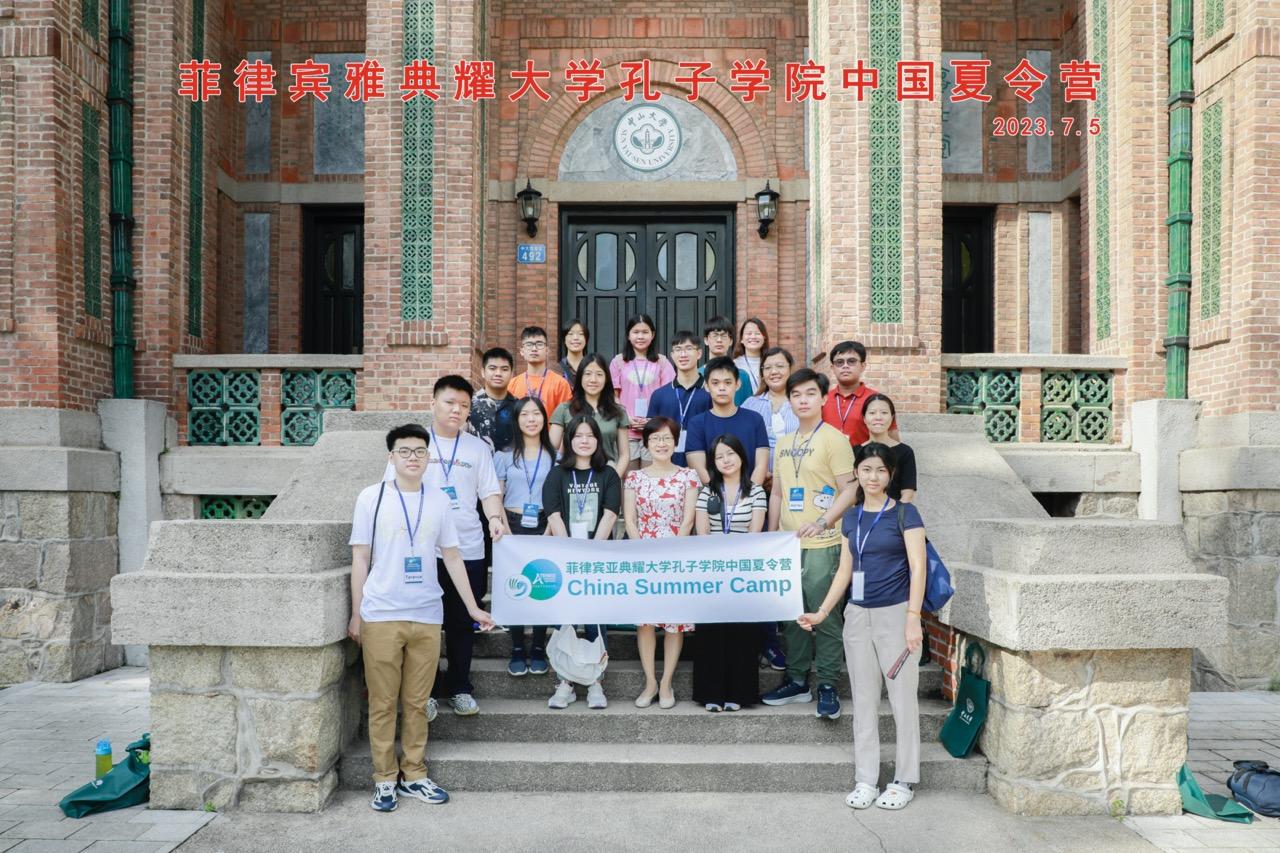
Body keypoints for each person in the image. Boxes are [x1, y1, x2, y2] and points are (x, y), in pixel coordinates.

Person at [349, 424, 495, 813]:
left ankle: (414, 774)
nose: (413, 458)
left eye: (419, 452)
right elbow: (360, 558)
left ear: (429, 458)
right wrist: (355, 614)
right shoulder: (371, 498)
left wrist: (472, 606)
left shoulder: (438, 502)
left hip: (427, 614)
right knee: (383, 703)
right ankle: (384, 779)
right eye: (404, 451)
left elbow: (452, 556)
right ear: (391, 457)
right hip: (381, 613)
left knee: (416, 702)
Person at [797, 442, 927, 812]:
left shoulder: (906, 514)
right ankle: (867, 778)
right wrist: (823, 612)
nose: (873, 477)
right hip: (857, 614)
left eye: (881, 471)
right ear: (856, 472)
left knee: (902, 700)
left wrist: (913, 617)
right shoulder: (851, 516)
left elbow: (918, 568)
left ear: (890, 475)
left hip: (896, 614)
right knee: (865, 700)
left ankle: (904, 779)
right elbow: (844, 570)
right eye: (866, 469)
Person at [762, 368, 857, 720]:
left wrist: (823, 521)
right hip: (788, 545)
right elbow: (777, 492)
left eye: (809, 394)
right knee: (791, 616)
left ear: (822, 398)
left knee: (825, 616)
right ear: (789, 401)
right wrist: (771, 536)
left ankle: (828, 684)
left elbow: (850, 488)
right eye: (796, 395)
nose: (802, 400)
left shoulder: (835, 439)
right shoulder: (785, 443)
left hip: (825, 542)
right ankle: (798, 680)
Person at [425, 375, 507, 717]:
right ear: (433, 404)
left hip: (469, 547)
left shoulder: (477, 448)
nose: (457, 410)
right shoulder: (416, 444)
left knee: (462, 624)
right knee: (427, 626)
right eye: (450, 403)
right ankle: (425, 691)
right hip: (425, 552)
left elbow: (489, 491)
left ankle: (460, 687)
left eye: (464, 405)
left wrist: (494, 519)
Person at [542, 414, 623, 710]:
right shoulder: (557, 474)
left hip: (598, 559)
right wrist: (570, 551)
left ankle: (595, 681)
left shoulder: (608, 474)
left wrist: (592, 553)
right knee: (565, 620)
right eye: (579, 435)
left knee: (595, 621)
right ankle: (565, 681)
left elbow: (611, 514)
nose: (585, 440)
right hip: (565, 558)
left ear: (598, 440)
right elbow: (553, 514)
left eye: (590, 435)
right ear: (570, 440)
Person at [623, 417, 701, 709]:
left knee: (673, 624)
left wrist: (670, 551)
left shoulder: (688, 476)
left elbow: (689, 519)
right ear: (646, 444)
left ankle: (667, 682)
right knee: (645, 623)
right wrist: (643, 550)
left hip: (675, 557)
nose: (661, 443)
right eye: (655, 439)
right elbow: (630, 519)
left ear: (675, 442)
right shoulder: (635, 478)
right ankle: (650, 681)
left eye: (667, 438)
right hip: (643, 557)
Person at [692, 434, 768, 712]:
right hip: (711, 571)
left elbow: (754, 533)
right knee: (712, 634)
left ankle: (739, 692)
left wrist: (734, 562)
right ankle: (710, 693)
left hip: (743, 572)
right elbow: (702, 532)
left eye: (730, 454)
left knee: (741, 633)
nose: (726, 460)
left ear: (742, 457)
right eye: (719, 456)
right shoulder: (707, 491)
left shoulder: (756, 491)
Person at [493, 397, 556, 677]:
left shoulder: (556, 456)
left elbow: (558, 497)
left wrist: (551, 529)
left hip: (546, 523)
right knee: (516, 587)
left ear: (544, 418)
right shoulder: (504, 455)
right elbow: (496, 494)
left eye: (536, 414)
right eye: (525, 415)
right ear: (517, 420)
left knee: (542, 587)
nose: (531, 419)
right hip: (512, 523)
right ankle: (518, 648)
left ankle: (539, 648)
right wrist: (504, 528)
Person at [684, 356, 770, 487]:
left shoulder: (755, 419)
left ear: (738, 384)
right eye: (715, 383)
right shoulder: (697, 423)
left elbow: (761, 465)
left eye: (728, 382)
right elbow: (698, 468)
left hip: (751, 498)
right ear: (707, 386)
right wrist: (722, 497)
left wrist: (749, 495)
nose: (722, 388)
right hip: (712, 498)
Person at [550, 353, 631, 478]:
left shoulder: (618, 411)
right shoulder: (564, 409)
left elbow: (624, 454)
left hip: (607, 475)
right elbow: (551, 448)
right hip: (572, 478)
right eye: (587, 374)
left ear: (606, 379)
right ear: (580, 377)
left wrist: (613, 479)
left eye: (599, 374)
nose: (593, 379)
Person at [610, 313, 675, 468]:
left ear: (652, 335)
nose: (640, 336)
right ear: (628, 335)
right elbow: (613, 396)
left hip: (654, 431)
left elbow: (669, 396)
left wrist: (652, 420)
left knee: (651, 479)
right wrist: (626, 417)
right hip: (627, 430)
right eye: (636, 332)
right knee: (629, 478)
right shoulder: (618, 361)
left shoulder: (662, 362)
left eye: (645, 332)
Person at [646, 330, 712, 468]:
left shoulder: (710, 393)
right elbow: (651, 436)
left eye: (688, 349)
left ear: (699, 353)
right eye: (678, 349)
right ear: (672, 355)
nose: (683, 354)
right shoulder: (659, 395)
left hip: (703, 467)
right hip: (667, 468)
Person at [822, 340, 896, 448]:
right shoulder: (823, 400)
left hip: (866, 462)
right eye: (839, 362)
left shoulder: (876, 400)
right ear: (833, 368)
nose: (845, 366)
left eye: (851, 361)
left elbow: (892, 440)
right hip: (830, 462)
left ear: (863, 366)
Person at [740, 346, 800, 475]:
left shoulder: (801, 403)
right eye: (767, 368)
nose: (774, 372)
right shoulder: (750, 404)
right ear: (762, 374)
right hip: (755, 480)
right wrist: (762, 473)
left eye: (780, 366)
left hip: (796, 478)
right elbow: (740, 442)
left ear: (790, 369)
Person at [862, 393, 916, 503]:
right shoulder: (855, 451)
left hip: (893, 516)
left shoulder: (905, 452)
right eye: (872, 413)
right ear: (864, 418)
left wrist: (894, 516)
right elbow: (849, 491)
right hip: (860, 516)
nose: (878, 417)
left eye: (884, 413)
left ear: (892, 418)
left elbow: (908, 493)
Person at [508, 326, 573, 416]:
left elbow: (566, 418)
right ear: (522, 351)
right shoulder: (512, 385)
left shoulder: (561, 384)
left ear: (547, 350)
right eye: (529, 344)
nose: (534, 349)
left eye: (539, 344)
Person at [467, 347, 517, 453]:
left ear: (512, 374)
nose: (498, 373)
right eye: (492, 368)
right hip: (477, 467)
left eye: (504, 369)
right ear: (483, 372)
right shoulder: (469, 404)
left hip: (510, 467)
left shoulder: (518, 406)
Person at [702, 315, 753, 406]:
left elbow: (749, 407)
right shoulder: (698, 375)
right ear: (706, 340)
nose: (719, 340)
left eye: (724, 336)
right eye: (715, 335)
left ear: (730, 341)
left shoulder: (743, 376)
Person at [732, 317, 770, 396]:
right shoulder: (734, 365)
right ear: (741, 339)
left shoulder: (771, 363)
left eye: (757, 333)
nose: (753, 337)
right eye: (749, 333)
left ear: (764, 338)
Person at [553, 318, 589, 382]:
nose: (575, 338)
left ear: (586, 339)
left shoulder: (592, 366)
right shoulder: (557, 369)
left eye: (580, 334)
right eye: (570, 334)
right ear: (564, 339)